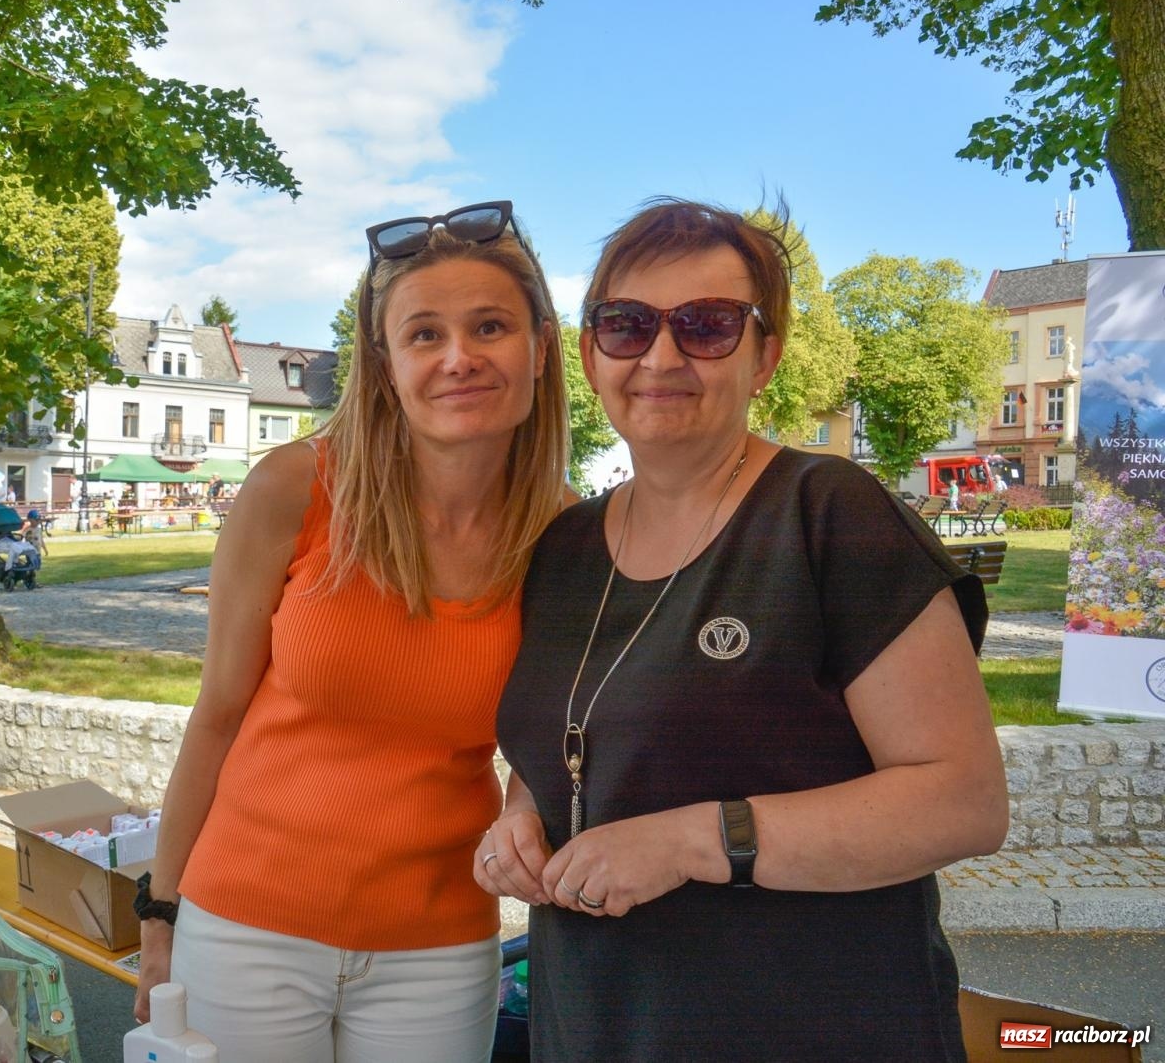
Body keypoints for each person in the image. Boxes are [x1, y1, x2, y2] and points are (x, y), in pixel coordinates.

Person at [480, 199, 1007, 1061]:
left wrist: (695, 841)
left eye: (707, 325)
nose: (661, 357)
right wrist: (521, 815)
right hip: (598, 1023)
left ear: (765, 356)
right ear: (590, 354)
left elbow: (963, 803)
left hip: (810, 1025)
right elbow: (575, 742)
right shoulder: (564, 548)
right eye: (627, 325)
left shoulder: (829, 516)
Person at [135, 201, 570, 1062]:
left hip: (439, 946)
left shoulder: (566, 536)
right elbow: (215, 714)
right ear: (386, 364)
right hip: (245, 927)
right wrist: (159, 918)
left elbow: (553, 738)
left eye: (490, 326)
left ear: (541, 348)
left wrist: (525, 809)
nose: (458, 357)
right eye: (424, 334)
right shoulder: (294, 489)